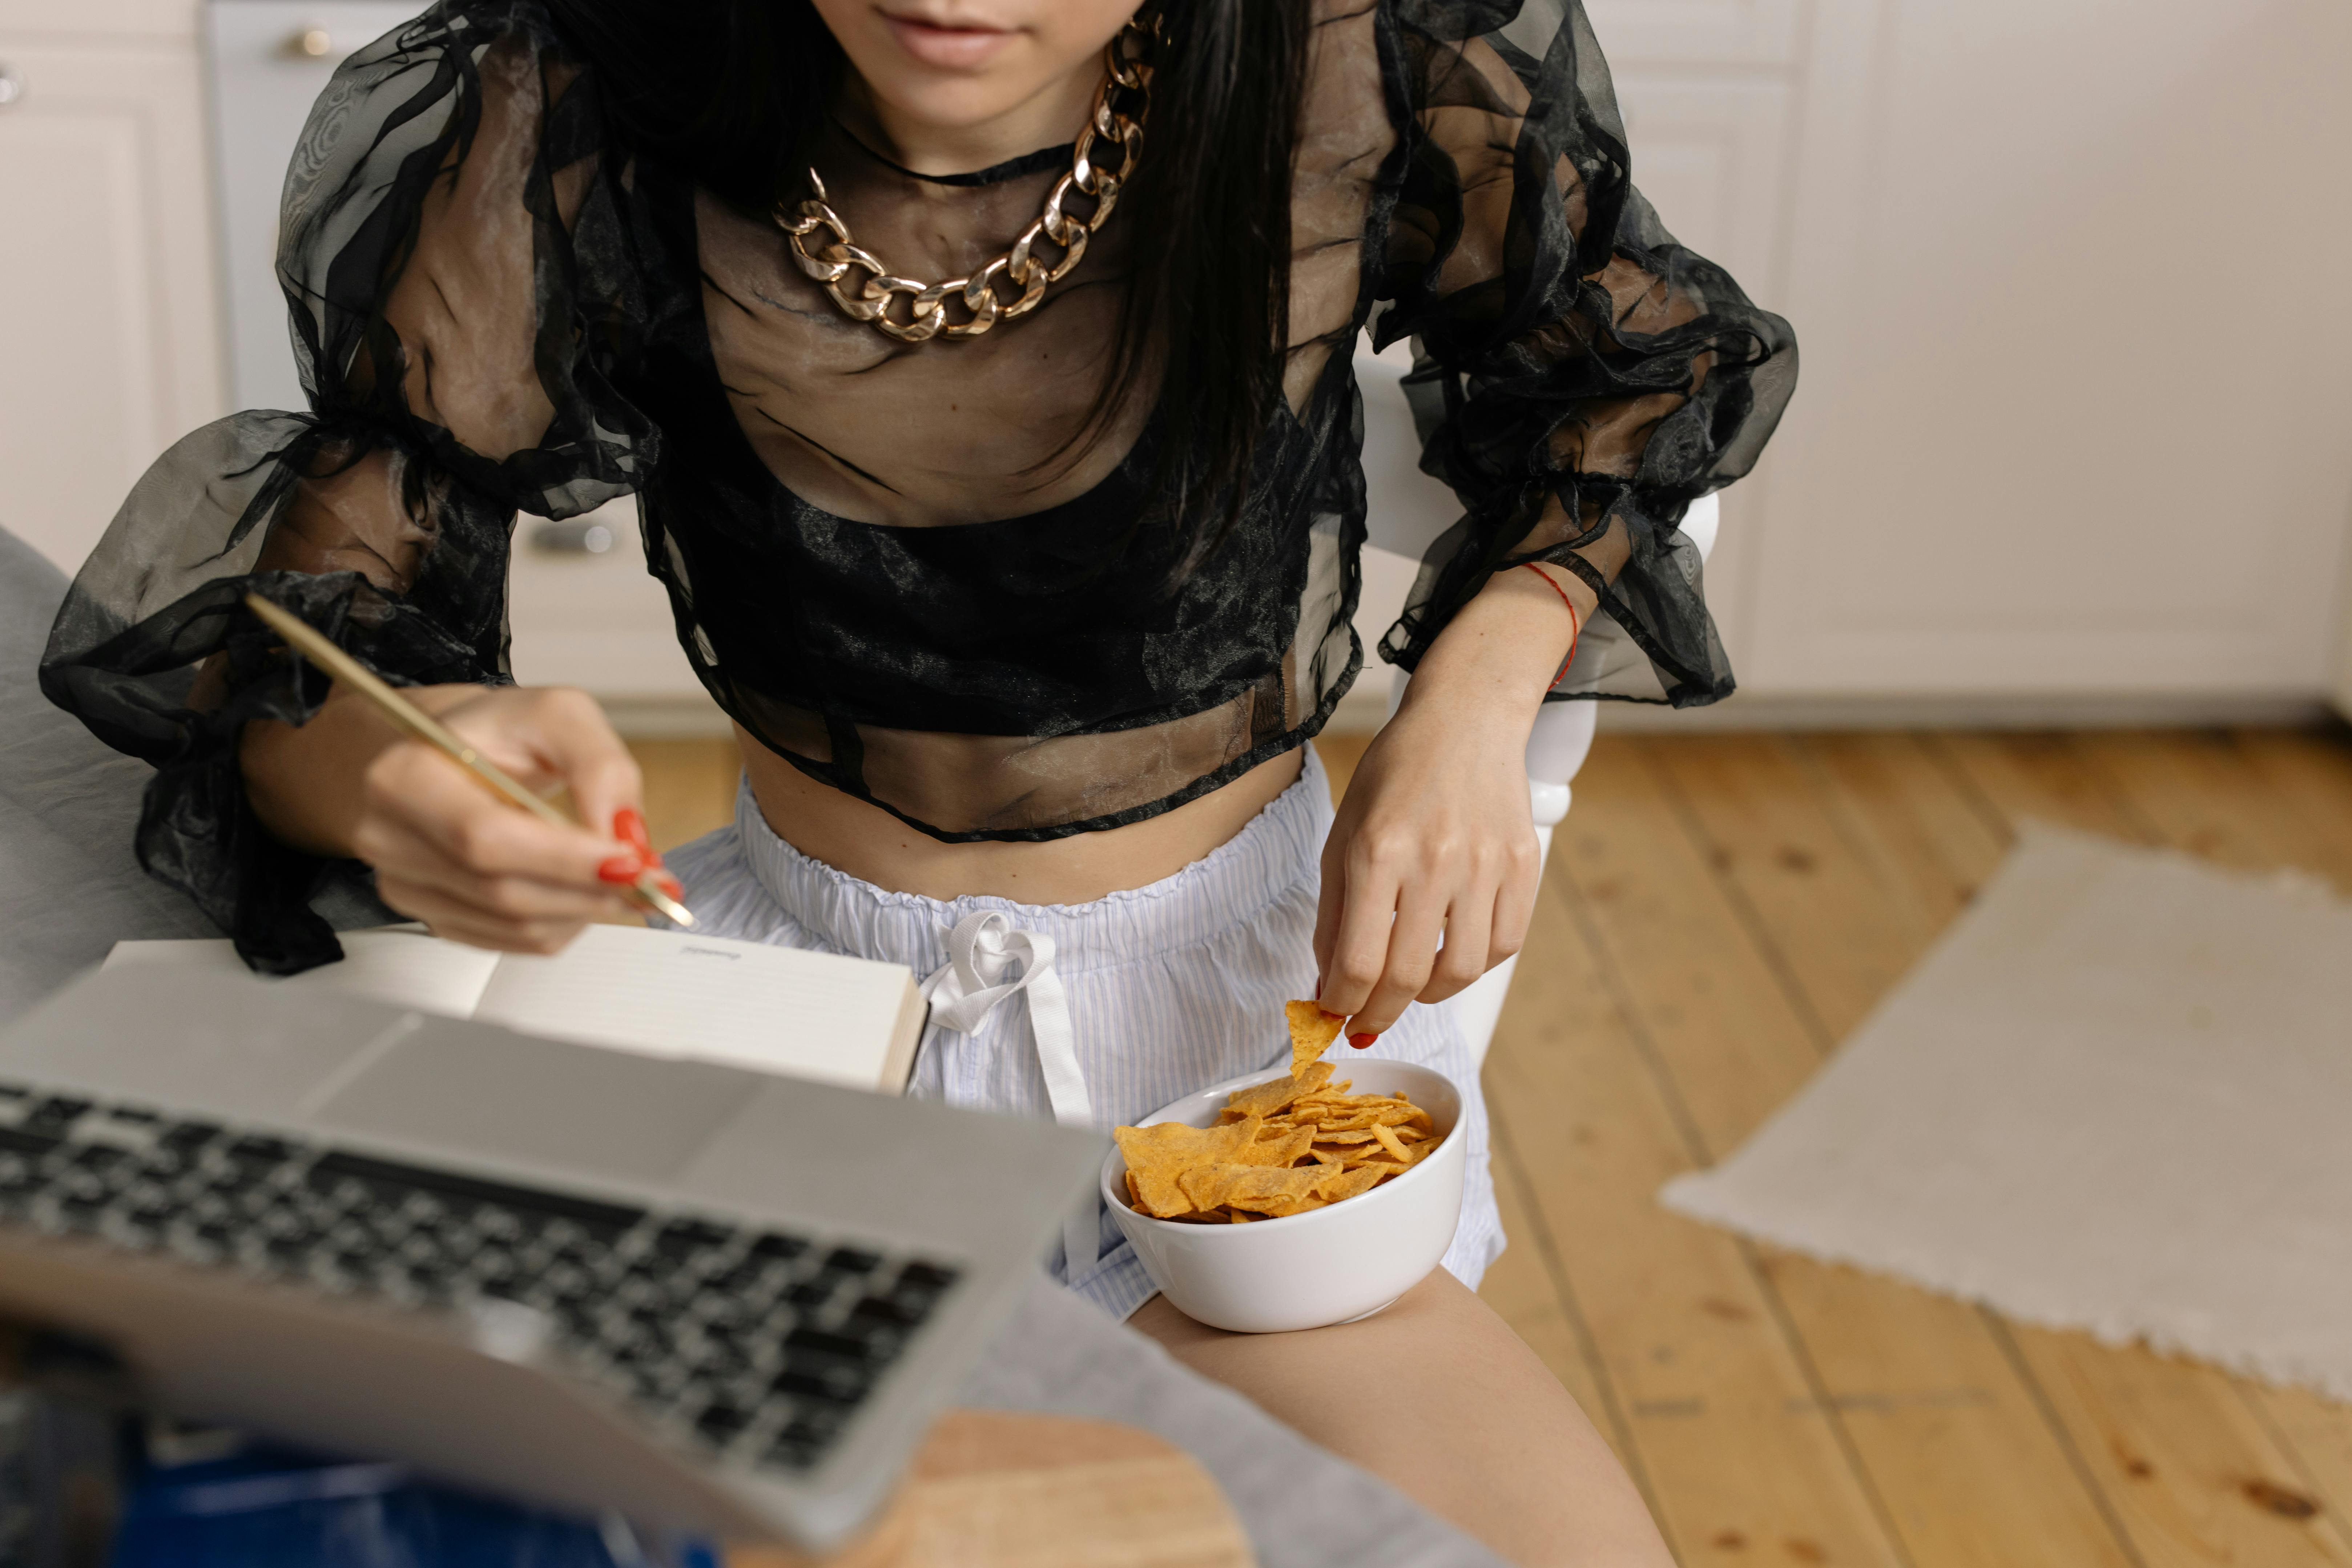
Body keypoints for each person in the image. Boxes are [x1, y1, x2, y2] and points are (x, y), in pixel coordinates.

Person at [43, 0, 1793, 1559]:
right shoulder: (584, 83)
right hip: (780, 1071)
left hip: (1250, 1071)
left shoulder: (1358, 49)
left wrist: (1476, 698)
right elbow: (320, 629)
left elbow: (1638, 373)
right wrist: (398, 776)